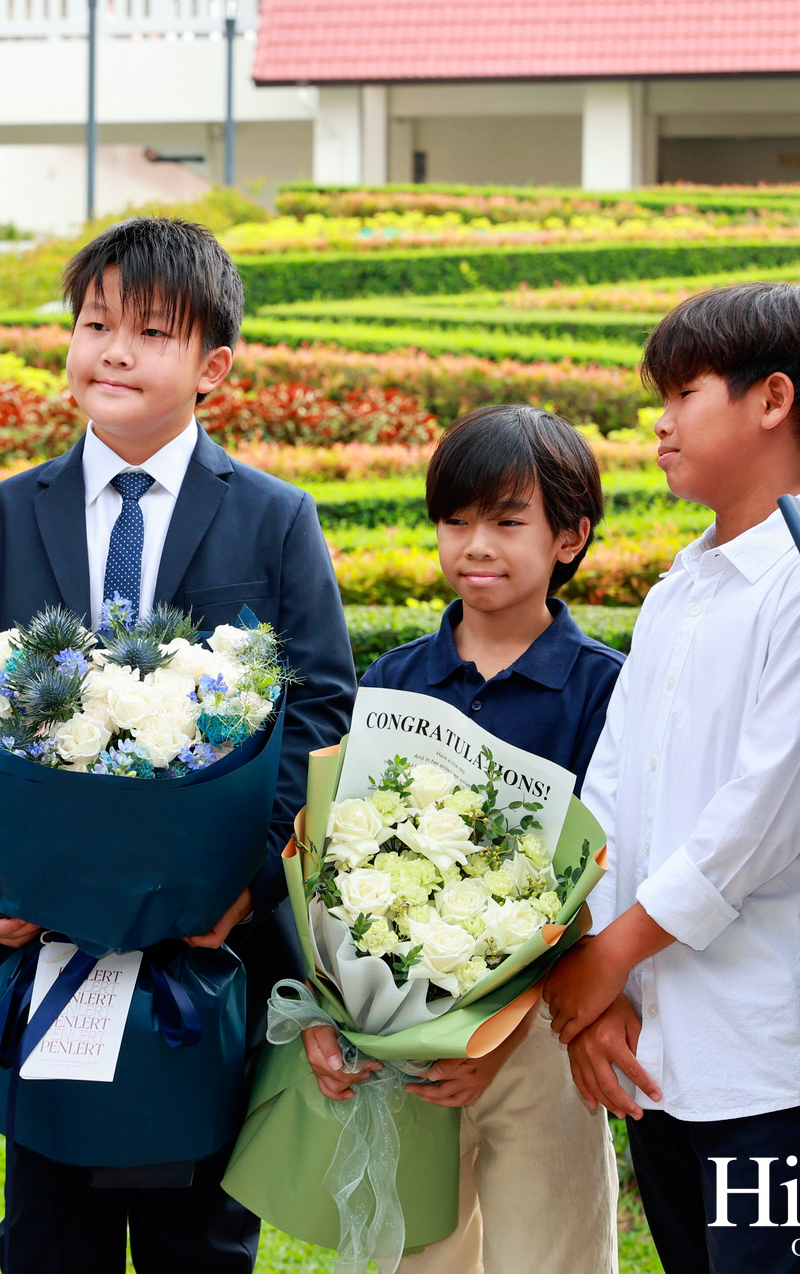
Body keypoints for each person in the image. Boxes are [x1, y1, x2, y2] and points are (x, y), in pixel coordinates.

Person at [0, 215, 357, 1273]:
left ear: (213, 367)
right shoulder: (5, 516)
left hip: (198, 956)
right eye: (95, 323)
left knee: (196, 1240)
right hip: (47, 945)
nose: (113, 351)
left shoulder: (274, 519)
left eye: (152, 332)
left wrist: (241, 888)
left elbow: (318, 709)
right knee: (47, 1235)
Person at [543, 283, 800, 1274]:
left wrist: (608, 958)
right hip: (655, 1033)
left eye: (684, 393)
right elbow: (611, 791)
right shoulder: (677, 591)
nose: (660, 422)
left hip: (766, 1038)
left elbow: (763, 816)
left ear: (772, 399)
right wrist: (602, 966)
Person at [304, 404, 621, 1274]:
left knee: (553, 1256)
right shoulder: (395, 679)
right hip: (410, 1034)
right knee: (419, 1257)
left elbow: (605, 874)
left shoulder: (603, 690)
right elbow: (343, 858)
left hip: (542, 1033)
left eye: (508, 523)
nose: (476, 545)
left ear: (569, 537)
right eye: (456, 521)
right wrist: (335, 1004)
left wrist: (501, 1035)